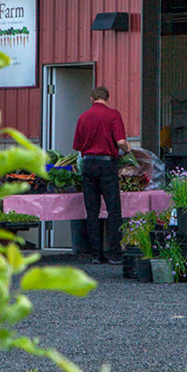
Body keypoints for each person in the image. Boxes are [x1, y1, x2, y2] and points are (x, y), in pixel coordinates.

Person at [73, 86, 131, 264]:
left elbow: (78, 146)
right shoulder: (113, 115)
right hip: (107, 165)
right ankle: (114, 254)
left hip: (88, 165)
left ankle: (96, 255)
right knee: (113, 210)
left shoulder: (83, 117)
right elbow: (120, 141)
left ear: (92, 98)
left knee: (92, 211)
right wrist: (128, 150)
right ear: (107, 98)